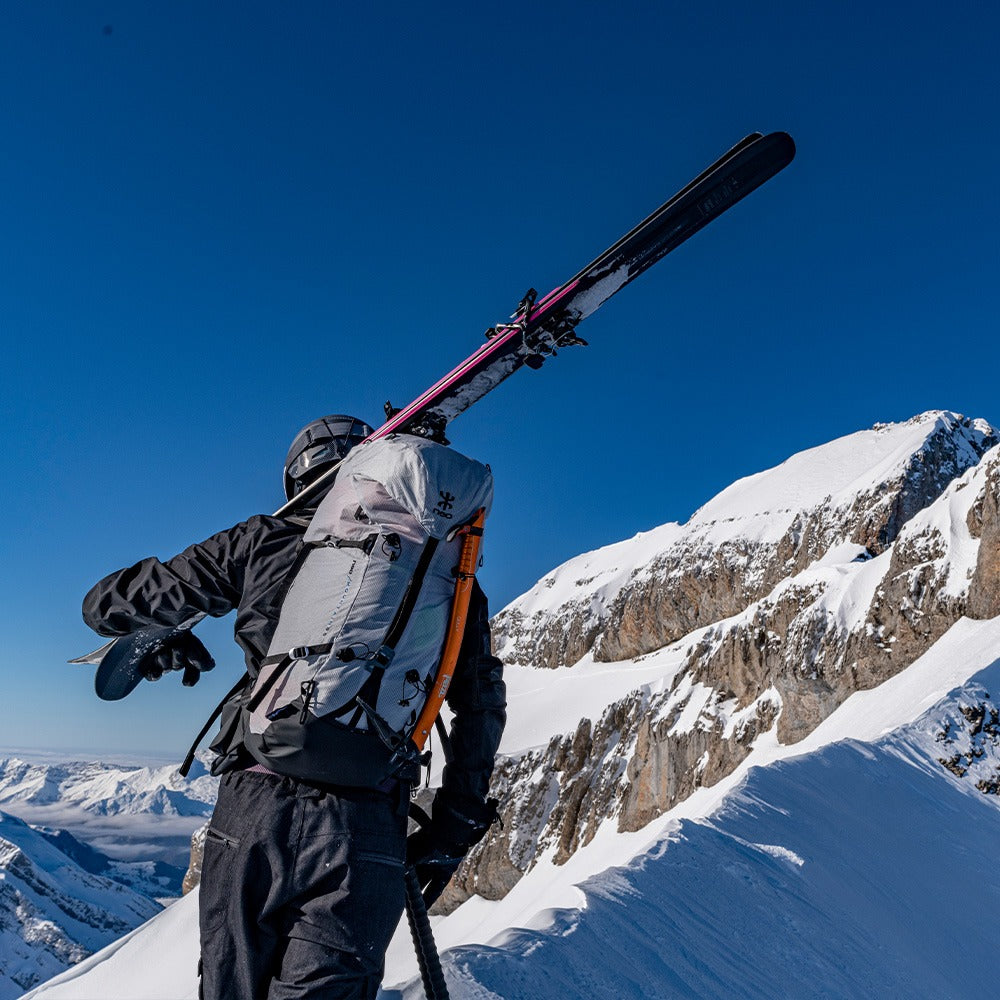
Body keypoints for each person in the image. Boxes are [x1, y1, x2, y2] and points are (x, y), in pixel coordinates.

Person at [82, 414, 506, 1000]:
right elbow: (479, 706)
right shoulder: (453, 579)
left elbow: (106, 605)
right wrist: (452, 830)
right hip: (367, 825)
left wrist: (165, 633)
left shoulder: (263, 539)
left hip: (254, 805)